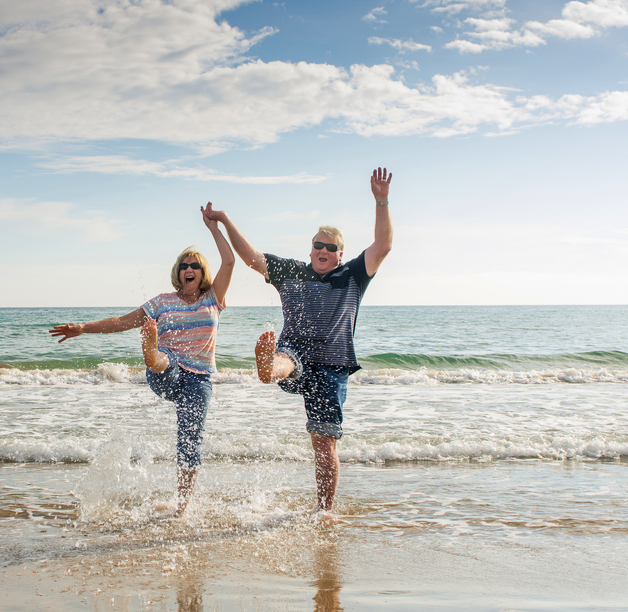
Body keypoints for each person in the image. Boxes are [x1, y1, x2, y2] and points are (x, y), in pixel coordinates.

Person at [204, 167, 393, 512]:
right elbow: (251, 258)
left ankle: (324, 511)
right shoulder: (292, 271)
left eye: (330, 247)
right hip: (294, 352)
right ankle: (268, 367)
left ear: (339, 254)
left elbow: (383, 246)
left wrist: (381, 202)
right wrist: (225, 221)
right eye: (318, 245)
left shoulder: (353, 275)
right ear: (310, 251)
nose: (323, 250)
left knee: (324, 442)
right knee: (287, 359)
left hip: (332, 367)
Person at [49, 203, 235, 516]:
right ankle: (152, 355)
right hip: (167, 370)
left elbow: (229, 260)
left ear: (203, 273)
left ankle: (181, 508)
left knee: (190, 442)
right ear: (177, 272)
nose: (189, 269)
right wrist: (82, 328)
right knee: (166, 360)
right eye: (184, 265)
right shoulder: (162, 302)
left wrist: (215, 226)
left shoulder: (213, 298)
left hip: (199, 380)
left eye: (195, 265)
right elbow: (123, 321)